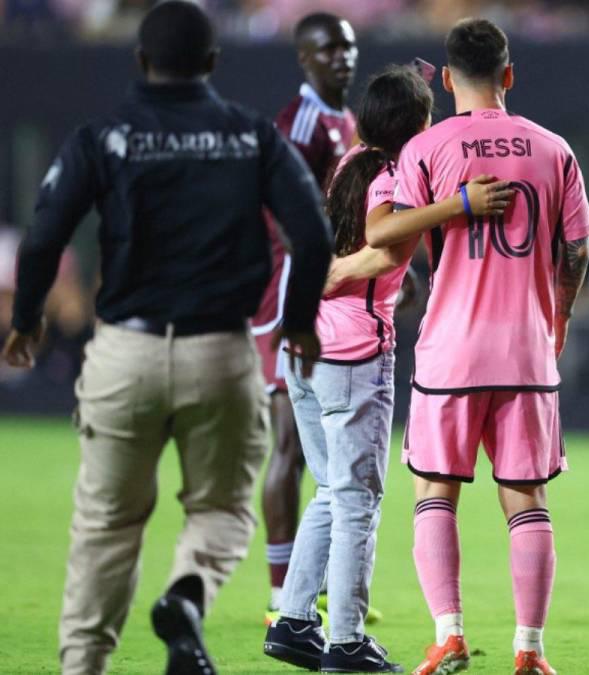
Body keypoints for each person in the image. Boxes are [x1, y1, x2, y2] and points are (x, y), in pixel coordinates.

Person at [1, 3, 333, 674]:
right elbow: (313, 233)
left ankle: (82, 665)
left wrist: (27, 317)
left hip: (126, 350)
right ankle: (186, 595)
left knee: (106, 524)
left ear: (140, 61)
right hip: (220, 352)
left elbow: (43, 236)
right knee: (221, 510)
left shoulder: (104, 136)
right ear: (212, 62)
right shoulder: (250, 136)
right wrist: (298, 322)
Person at [262, 64, 511, 673]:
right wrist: (461, 203)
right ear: (416, 125)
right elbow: (383, 246)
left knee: (330, 491)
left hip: (305, 346)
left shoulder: (353, 159)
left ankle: (293, 620)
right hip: (351, 354)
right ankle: (346, 639)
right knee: (357, 501)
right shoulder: (395, 174)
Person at [366, 19, 589, 675]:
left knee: (435, 490)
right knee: (527, 498)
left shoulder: (425, 149)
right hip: (527, 349)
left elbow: (389, 236)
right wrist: (561, 314)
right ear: (509, 74)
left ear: (445, 78)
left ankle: (450, 635)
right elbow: (577, 247)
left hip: (452, 350)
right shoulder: (553, 148)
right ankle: (531, 649)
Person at [253, 11, 360, 627]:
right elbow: (290, 223)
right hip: (287, 297)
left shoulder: (343, 120)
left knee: (321, 450)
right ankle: (281, 596)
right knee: (291, 445)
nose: (341, 57)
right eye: (328, 49)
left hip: (323, 291)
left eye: (347, 46)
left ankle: (304, 590)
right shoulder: (298, 124)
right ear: (304, 58)